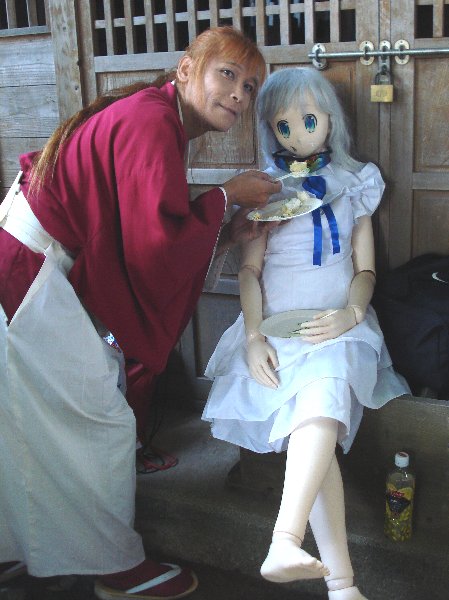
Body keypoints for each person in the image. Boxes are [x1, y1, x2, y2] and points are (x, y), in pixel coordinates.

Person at [0, 26, 281, 600]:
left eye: (250, 86)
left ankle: (19, 551)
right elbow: (153, 248)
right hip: (27, 268)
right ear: (186, 69)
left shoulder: (155, 116)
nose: (239, 94)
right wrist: (226, 195)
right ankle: (116, 566)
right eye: (228, 74)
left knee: (24, 421)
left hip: (29, 261)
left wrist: (226, 232)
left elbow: (144, 229)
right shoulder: (152, 121)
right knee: (99, 421)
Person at [202, 67, 410, 600]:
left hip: (337, 328)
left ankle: (285, 540)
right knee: (312, 433)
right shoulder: (265, 190)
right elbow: (249, 271)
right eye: (283, 126)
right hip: (276, 332)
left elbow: (365, 270)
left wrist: (352, 314)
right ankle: (342, 586)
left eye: (309, 121)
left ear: (329, 121)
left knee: (319, 410)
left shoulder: (354, 183)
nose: (296, 134)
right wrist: (254, 337)